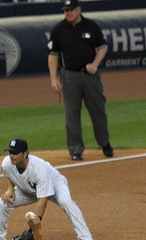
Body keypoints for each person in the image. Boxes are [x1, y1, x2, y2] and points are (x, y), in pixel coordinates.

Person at [0, 138, 94, 240]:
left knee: (65, 202)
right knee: (3, 203)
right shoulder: (6, 164)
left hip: (54, 185)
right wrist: (10, 190)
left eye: (15, 153)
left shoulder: (39, 170)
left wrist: (32, 230)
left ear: (25, 154)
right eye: (10, 152)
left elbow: (43, 200)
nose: (11, 156)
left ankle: (86, 239)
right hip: (28, 189)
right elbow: (10, 175)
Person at [47, 0, 114, 161]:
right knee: (72, 114)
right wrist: (53, 78)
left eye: (70, 10)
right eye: (65, 11)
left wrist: (95, 64)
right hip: (70, 76)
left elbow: (102, 47)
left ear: (78, 9)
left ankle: (104, 143)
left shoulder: (91, 26)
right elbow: (53, 54)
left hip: (91, 76)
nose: (68, 13)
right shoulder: (59, 29)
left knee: (98, 110)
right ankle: (76, 150)